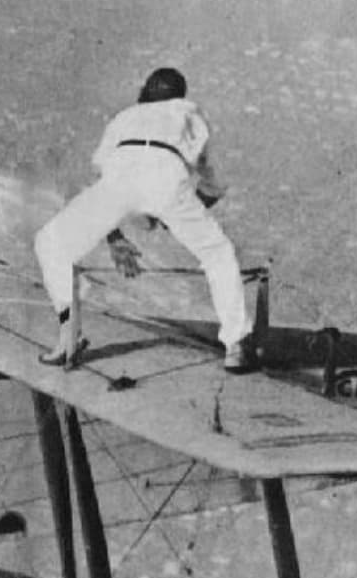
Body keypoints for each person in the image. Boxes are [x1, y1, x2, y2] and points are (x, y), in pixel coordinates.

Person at [33, 67, 256, 373]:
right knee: (218, 254)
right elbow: (212, 185)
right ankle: (235, 345)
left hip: (120, 177)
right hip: (167, 178)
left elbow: (102, 176)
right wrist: (174, 215)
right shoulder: (190, 113)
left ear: (145, 92)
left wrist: (115, 238)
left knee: (50, 242)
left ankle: (68, 334)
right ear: (179, 95)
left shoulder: (125, 116)